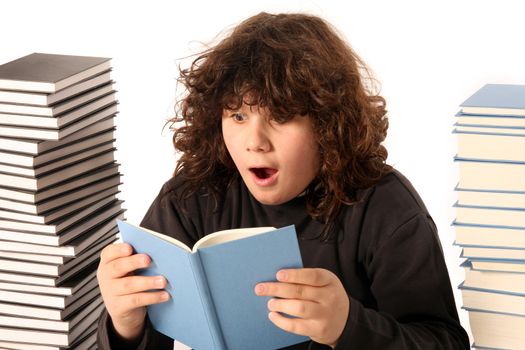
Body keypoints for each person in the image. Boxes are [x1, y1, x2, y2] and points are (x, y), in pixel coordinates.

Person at [96, 12, 470, 349]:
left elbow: (445, 342)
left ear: (328, 125)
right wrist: (125, 325)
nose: (254, 143)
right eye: (238, 117)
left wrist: (349, 327)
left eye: (281, 116)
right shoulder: (191, 198)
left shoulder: (386, 206)